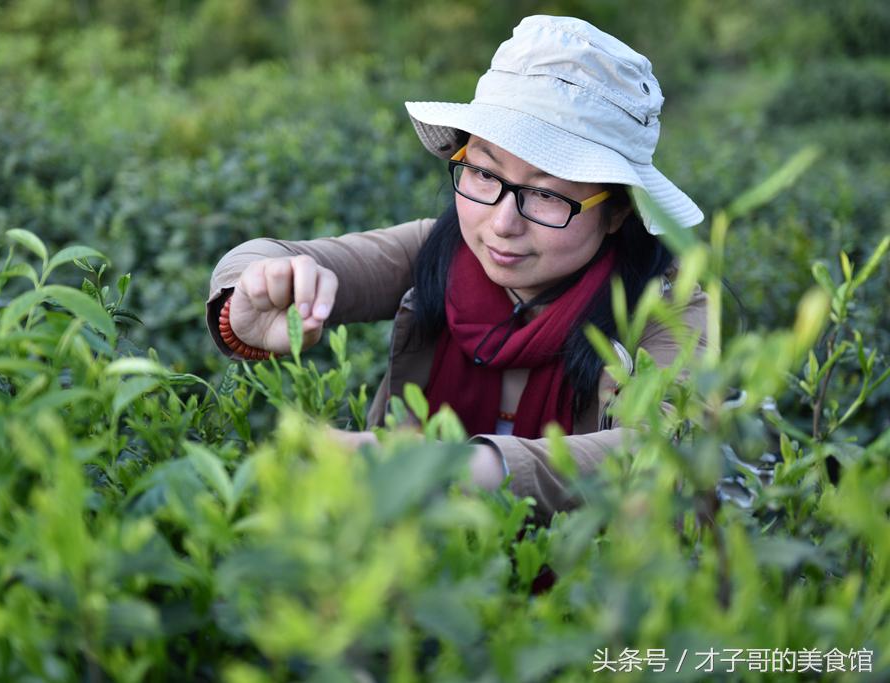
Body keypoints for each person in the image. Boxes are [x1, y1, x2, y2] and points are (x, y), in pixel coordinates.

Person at [206, 15, 709, 525]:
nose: (503, 223)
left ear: (618, 212)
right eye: (485, 173)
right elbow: (265, 256)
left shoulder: (669, 307)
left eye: (546, 194)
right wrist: (250, 300)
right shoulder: (437, 250)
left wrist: (450, 468)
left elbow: (667, 447)